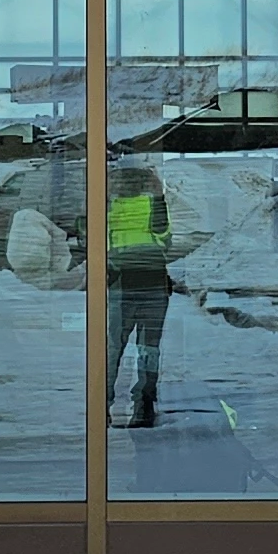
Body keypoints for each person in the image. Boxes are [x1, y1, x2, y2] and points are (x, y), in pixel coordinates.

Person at [105, 157, 174, 427]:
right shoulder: (105, 205)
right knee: (125, 349)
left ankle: (142, 402)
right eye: (124, 177)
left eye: (133, 177)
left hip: (146, 285)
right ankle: (117, 402)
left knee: (141, 349)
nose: (128, 182)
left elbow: (163, 235)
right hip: (129, 285)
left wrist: (158, 197)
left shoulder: (145, 203)